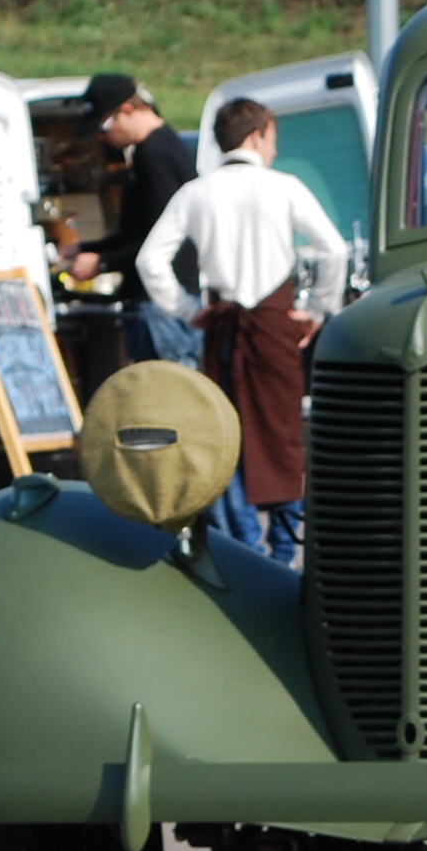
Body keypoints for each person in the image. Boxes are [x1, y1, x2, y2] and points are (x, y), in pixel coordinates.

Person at [137, 99, 352, 558]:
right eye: (272, 138)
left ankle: (243, 546)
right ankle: (282, 546)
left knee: (225, 434)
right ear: (257, 136)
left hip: (222, 326)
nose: (274, 149)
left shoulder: (197, 192)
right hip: (276, 326)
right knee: (283, 433)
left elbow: (149, 260)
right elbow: (334, 249)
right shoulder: (284, 187)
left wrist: (186, 308)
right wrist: (317, 309)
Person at [54, 73, 201, 367]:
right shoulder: (160, 148)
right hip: (162, 300)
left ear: (128, 110)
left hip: (160, 301)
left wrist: (102, 262)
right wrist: (89, 250)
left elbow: (159, 238)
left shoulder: (154, 155)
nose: (102, 137)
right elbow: (139, 231)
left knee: (164, 396)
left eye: (104, 126)